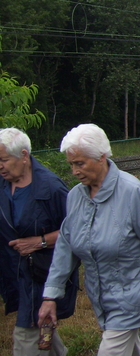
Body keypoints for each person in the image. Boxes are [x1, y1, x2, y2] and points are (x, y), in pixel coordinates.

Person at [38, 123, 140, 356]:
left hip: (132, 293)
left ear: (101, 157)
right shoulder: (75, 197)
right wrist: (51, 295)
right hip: (101, 296)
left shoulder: (133, 192)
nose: (74, 171)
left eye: (80, 163)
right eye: (71, 164)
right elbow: (65, 249)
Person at [0, 128, 77, 356]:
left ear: (24, 156)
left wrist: (40, 242)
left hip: (42, 274)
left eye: (4, 160)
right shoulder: (3, 183)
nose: (0, 166)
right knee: (44, 337)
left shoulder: (51, 188)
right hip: (13, 272)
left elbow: (75, 231)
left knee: (26, 337)